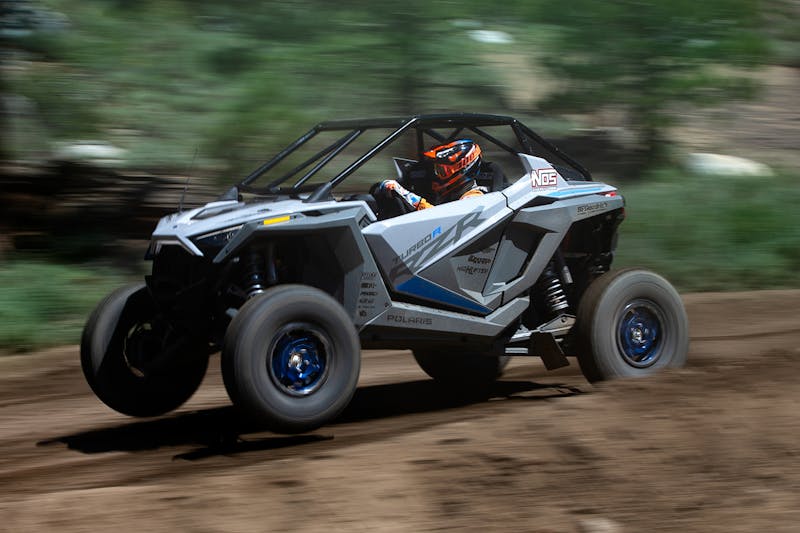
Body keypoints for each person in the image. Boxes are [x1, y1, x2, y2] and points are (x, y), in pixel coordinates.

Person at [375, 139, 486, 212]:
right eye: (434, 169)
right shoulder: (444, 194)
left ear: (462, 169)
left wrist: (408, 196)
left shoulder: (474, 198)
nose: (434, 175)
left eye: (441, 170)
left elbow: (446, 221)